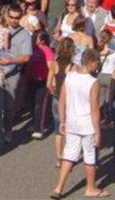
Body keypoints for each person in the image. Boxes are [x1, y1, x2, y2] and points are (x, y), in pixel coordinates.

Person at [50, 48, 108, 199]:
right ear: (92, 62)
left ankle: (58, 188)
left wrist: (62, 121)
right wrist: (98, 132)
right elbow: (94, 109)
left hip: (71, 121)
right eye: (97, 63)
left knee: (69, 154)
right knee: (89, 156)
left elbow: (62, 100)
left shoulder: (70, 77)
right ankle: (90, 188)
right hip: (87, 123)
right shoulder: (93, 82)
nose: (97, 66)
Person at [0, 3, 32, 154]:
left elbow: (26, 57)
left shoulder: (25, 35)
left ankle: (8, 130)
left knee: (9, 106)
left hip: (12, 73)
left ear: (21, 17)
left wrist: (10, 61)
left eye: (17, 18)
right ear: (7, 15)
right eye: (11, 17)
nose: (14, 20)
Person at [47, 37, 76, 169]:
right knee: (69, 131)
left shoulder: (53, 63)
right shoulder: (73, 66)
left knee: (58, 130)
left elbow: (48, 84)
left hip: (57, 99)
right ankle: (67, 158)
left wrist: (54, 90)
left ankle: (58, 158)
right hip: (69, 101)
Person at [25, 30, 54, 139]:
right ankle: (35, 122)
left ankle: (39, 129)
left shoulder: (47, 50)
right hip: (31, 79)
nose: (33, 39)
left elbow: (51, 67)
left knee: (39, 105)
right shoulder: (31, 49)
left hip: (42, 80)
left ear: (42, 40)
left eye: (36, 37)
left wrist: (49, 82)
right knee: (31, 103)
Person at [96, 29, 115, 121]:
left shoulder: (98, 50)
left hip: (100, 75)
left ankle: (99, 116)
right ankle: (108, 117)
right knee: (109, 98)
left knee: (100, 99)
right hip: (110, 77)